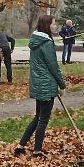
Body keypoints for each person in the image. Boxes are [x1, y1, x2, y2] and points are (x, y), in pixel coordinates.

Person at [15, 15, 65, 157]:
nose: (55, 26)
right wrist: (62, 85)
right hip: (46, 85)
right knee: (43, 119)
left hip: (38, 83)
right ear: (47, 25)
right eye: (54, 24)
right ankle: (37, 151)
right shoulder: (46, 43)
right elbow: (53, 66)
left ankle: (20, 146)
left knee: (38, 117)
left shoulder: (36, 41)